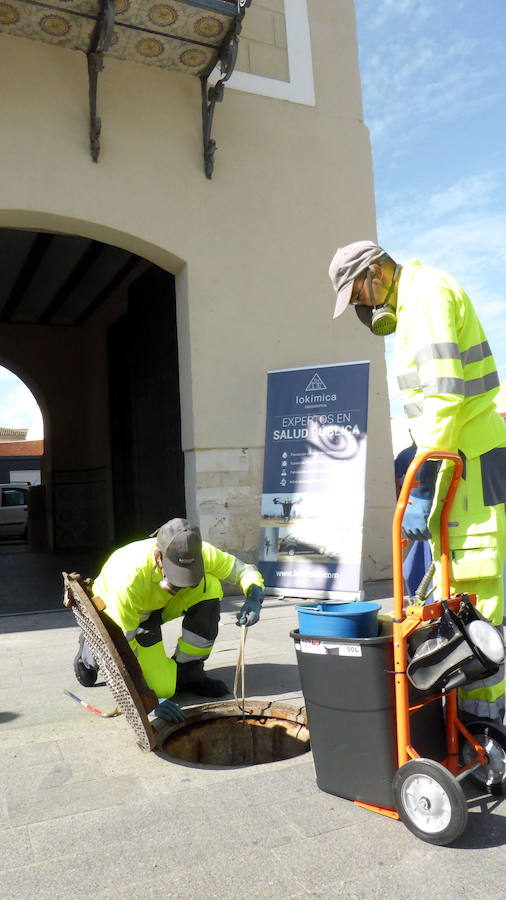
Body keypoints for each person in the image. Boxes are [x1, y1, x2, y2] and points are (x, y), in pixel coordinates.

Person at [329, 240, 506, 724]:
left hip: (467, 457)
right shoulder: (413, 304)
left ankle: (485, 727)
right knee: (458, 585)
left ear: (374, 274)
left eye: (358, 296)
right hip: (462, 454)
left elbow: (444, 395)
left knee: (476, 593)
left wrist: (423, 473)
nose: (363, 308)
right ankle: (475, 717)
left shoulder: (425, 297)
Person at [74, 518, 265, 718]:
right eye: (178, 576)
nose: (183, 584)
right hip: (121, 618)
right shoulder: (127, 580)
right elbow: (121, 649)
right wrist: (146, 700)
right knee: (161, 689)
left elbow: (242, 570)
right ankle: (88, 652)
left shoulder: (201, 552)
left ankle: (188, 672)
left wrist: (253, 596)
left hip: (158, 605)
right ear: (159, 557)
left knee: (211, 586)